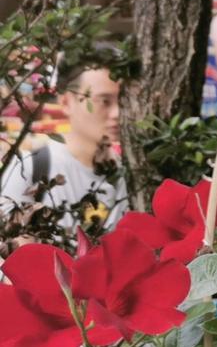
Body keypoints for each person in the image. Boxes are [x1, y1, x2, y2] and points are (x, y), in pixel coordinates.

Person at [0, 60, 128, 233]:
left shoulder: (130, 172)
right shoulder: (31, 165)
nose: (117, 113)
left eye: (123, 101)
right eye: (104, 101)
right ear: (66, 102)